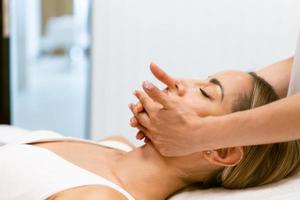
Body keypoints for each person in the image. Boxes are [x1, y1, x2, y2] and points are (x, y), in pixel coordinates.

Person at [1, 71, 299, 200]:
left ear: (221, 152)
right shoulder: (114, 144)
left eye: (206, 92)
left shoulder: (99, 197)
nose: (182, 81)